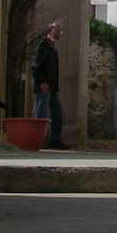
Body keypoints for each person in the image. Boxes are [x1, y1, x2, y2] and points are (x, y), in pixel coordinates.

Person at [32, 20, 66, 149]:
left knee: (57, 113)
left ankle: (55, 140)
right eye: (58, 30)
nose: (60, 32)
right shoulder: (43, 46)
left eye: (61, 30)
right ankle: (37, 141)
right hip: (44, 86)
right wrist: (42, 82)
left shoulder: (51, 47)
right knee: (41, 114)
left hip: (52, 87)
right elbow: (35, 67)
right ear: (51, 30)